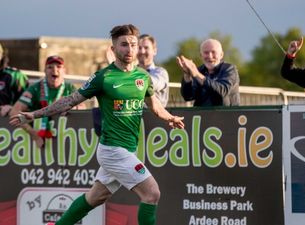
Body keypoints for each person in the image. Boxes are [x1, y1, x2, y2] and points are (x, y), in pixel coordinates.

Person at [10, 24, 185, 225]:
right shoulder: (104, 77)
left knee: (95, 198)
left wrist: (169, 117)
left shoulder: (143, 77)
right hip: (113, 150)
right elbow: (69, 100)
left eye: (133, 45)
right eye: (124, 45)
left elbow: (155, 106)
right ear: (113, 49)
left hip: (127, 148)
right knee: (152, 193)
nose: (129, 50)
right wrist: (34, 114)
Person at [9, 55, 80, 148]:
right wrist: (34, 134)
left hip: (65, 141)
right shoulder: (35, 88)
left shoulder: (70, 88)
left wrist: (72, 108)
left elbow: (83, 108)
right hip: (37, 143)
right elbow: (14, 112)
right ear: (45, 71)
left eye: (59, 67)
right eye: (50, 67)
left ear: (64, 71)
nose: (54, 70)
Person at [177, 38, 240, 106]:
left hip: (226, 115)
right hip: (202, 115)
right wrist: (187, 74)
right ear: (201, 55)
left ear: (221, 55)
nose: (210, 56)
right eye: (206, 53)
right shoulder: (198, 70)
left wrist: (197, 75)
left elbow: (223, 91)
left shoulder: (229, 69)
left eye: (213, 52)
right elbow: (188, 97)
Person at [138, 34, 169, 107]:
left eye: (146, 48)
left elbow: (154, 83)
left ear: (154, 51)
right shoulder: (129, 71)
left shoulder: (161, 72)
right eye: (139, 48)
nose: (142, 51)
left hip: (155, 117)